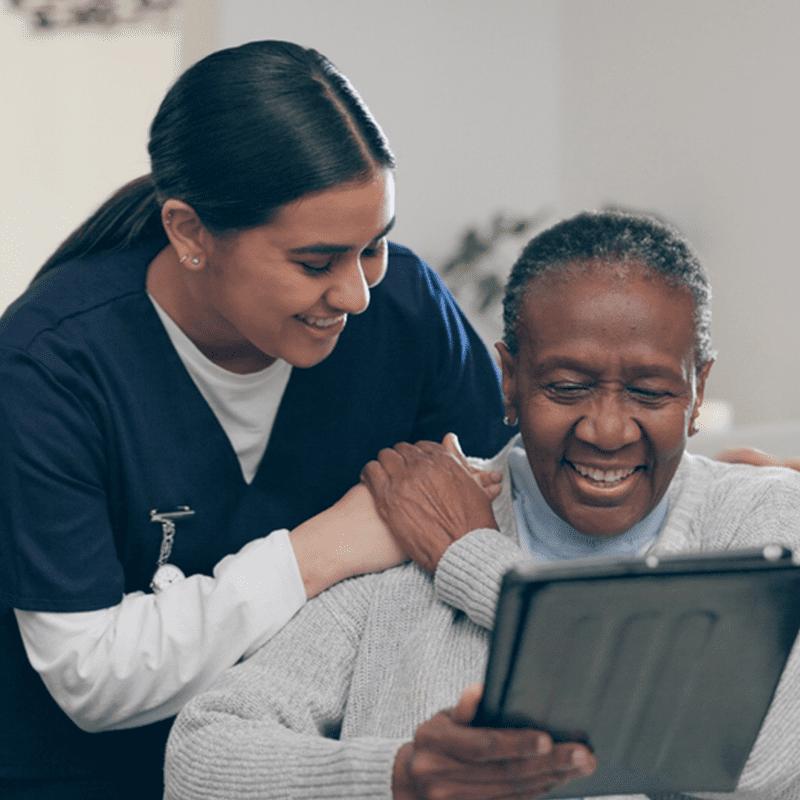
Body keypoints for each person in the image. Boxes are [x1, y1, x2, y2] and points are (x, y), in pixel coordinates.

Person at [0, 41, 511, 799]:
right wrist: (327, 547)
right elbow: (94, 676)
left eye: (374, 246)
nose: (357, 295)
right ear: (190, 233)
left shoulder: (405, 312)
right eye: (316, 263)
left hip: (324, 757)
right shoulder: (52, 364)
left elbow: (506, 502)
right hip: (90, 775)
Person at [164, 211, 800, 800]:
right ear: (510, 380)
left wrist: (475, 559)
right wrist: (401, 776)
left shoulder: (768, 522)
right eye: (567, 387)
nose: (607, 430)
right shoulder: (414, 517)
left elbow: (763, 769)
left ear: (698, 390)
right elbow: (199, 758)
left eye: (650, 392)